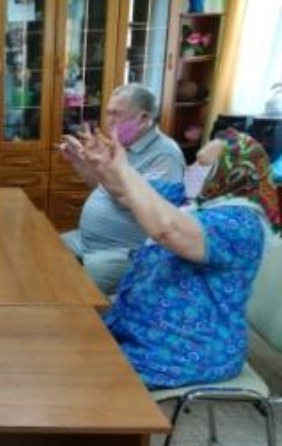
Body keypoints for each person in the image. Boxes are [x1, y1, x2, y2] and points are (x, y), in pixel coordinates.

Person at [75, 127, 280, 389]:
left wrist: (123, 168)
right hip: (145, 328)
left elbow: (168, 230)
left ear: (231, 174)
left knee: (81, 377)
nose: (191, 168)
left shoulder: (241, 223)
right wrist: (102, 165)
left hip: (189, 348)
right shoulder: (194, 199)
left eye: (202, 164)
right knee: (72, 351)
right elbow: (125, 192)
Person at [59, 83, 185, 295]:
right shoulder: (122, 146)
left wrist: (100, 166)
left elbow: (142, 204)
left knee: (73, 293)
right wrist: (79, 162)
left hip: (121, 251)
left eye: (116, 114)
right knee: (44, 253)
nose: (109, 121)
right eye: (108, 113)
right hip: (87, 241)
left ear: (143, 118)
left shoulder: (166, 155)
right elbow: (100, 186)